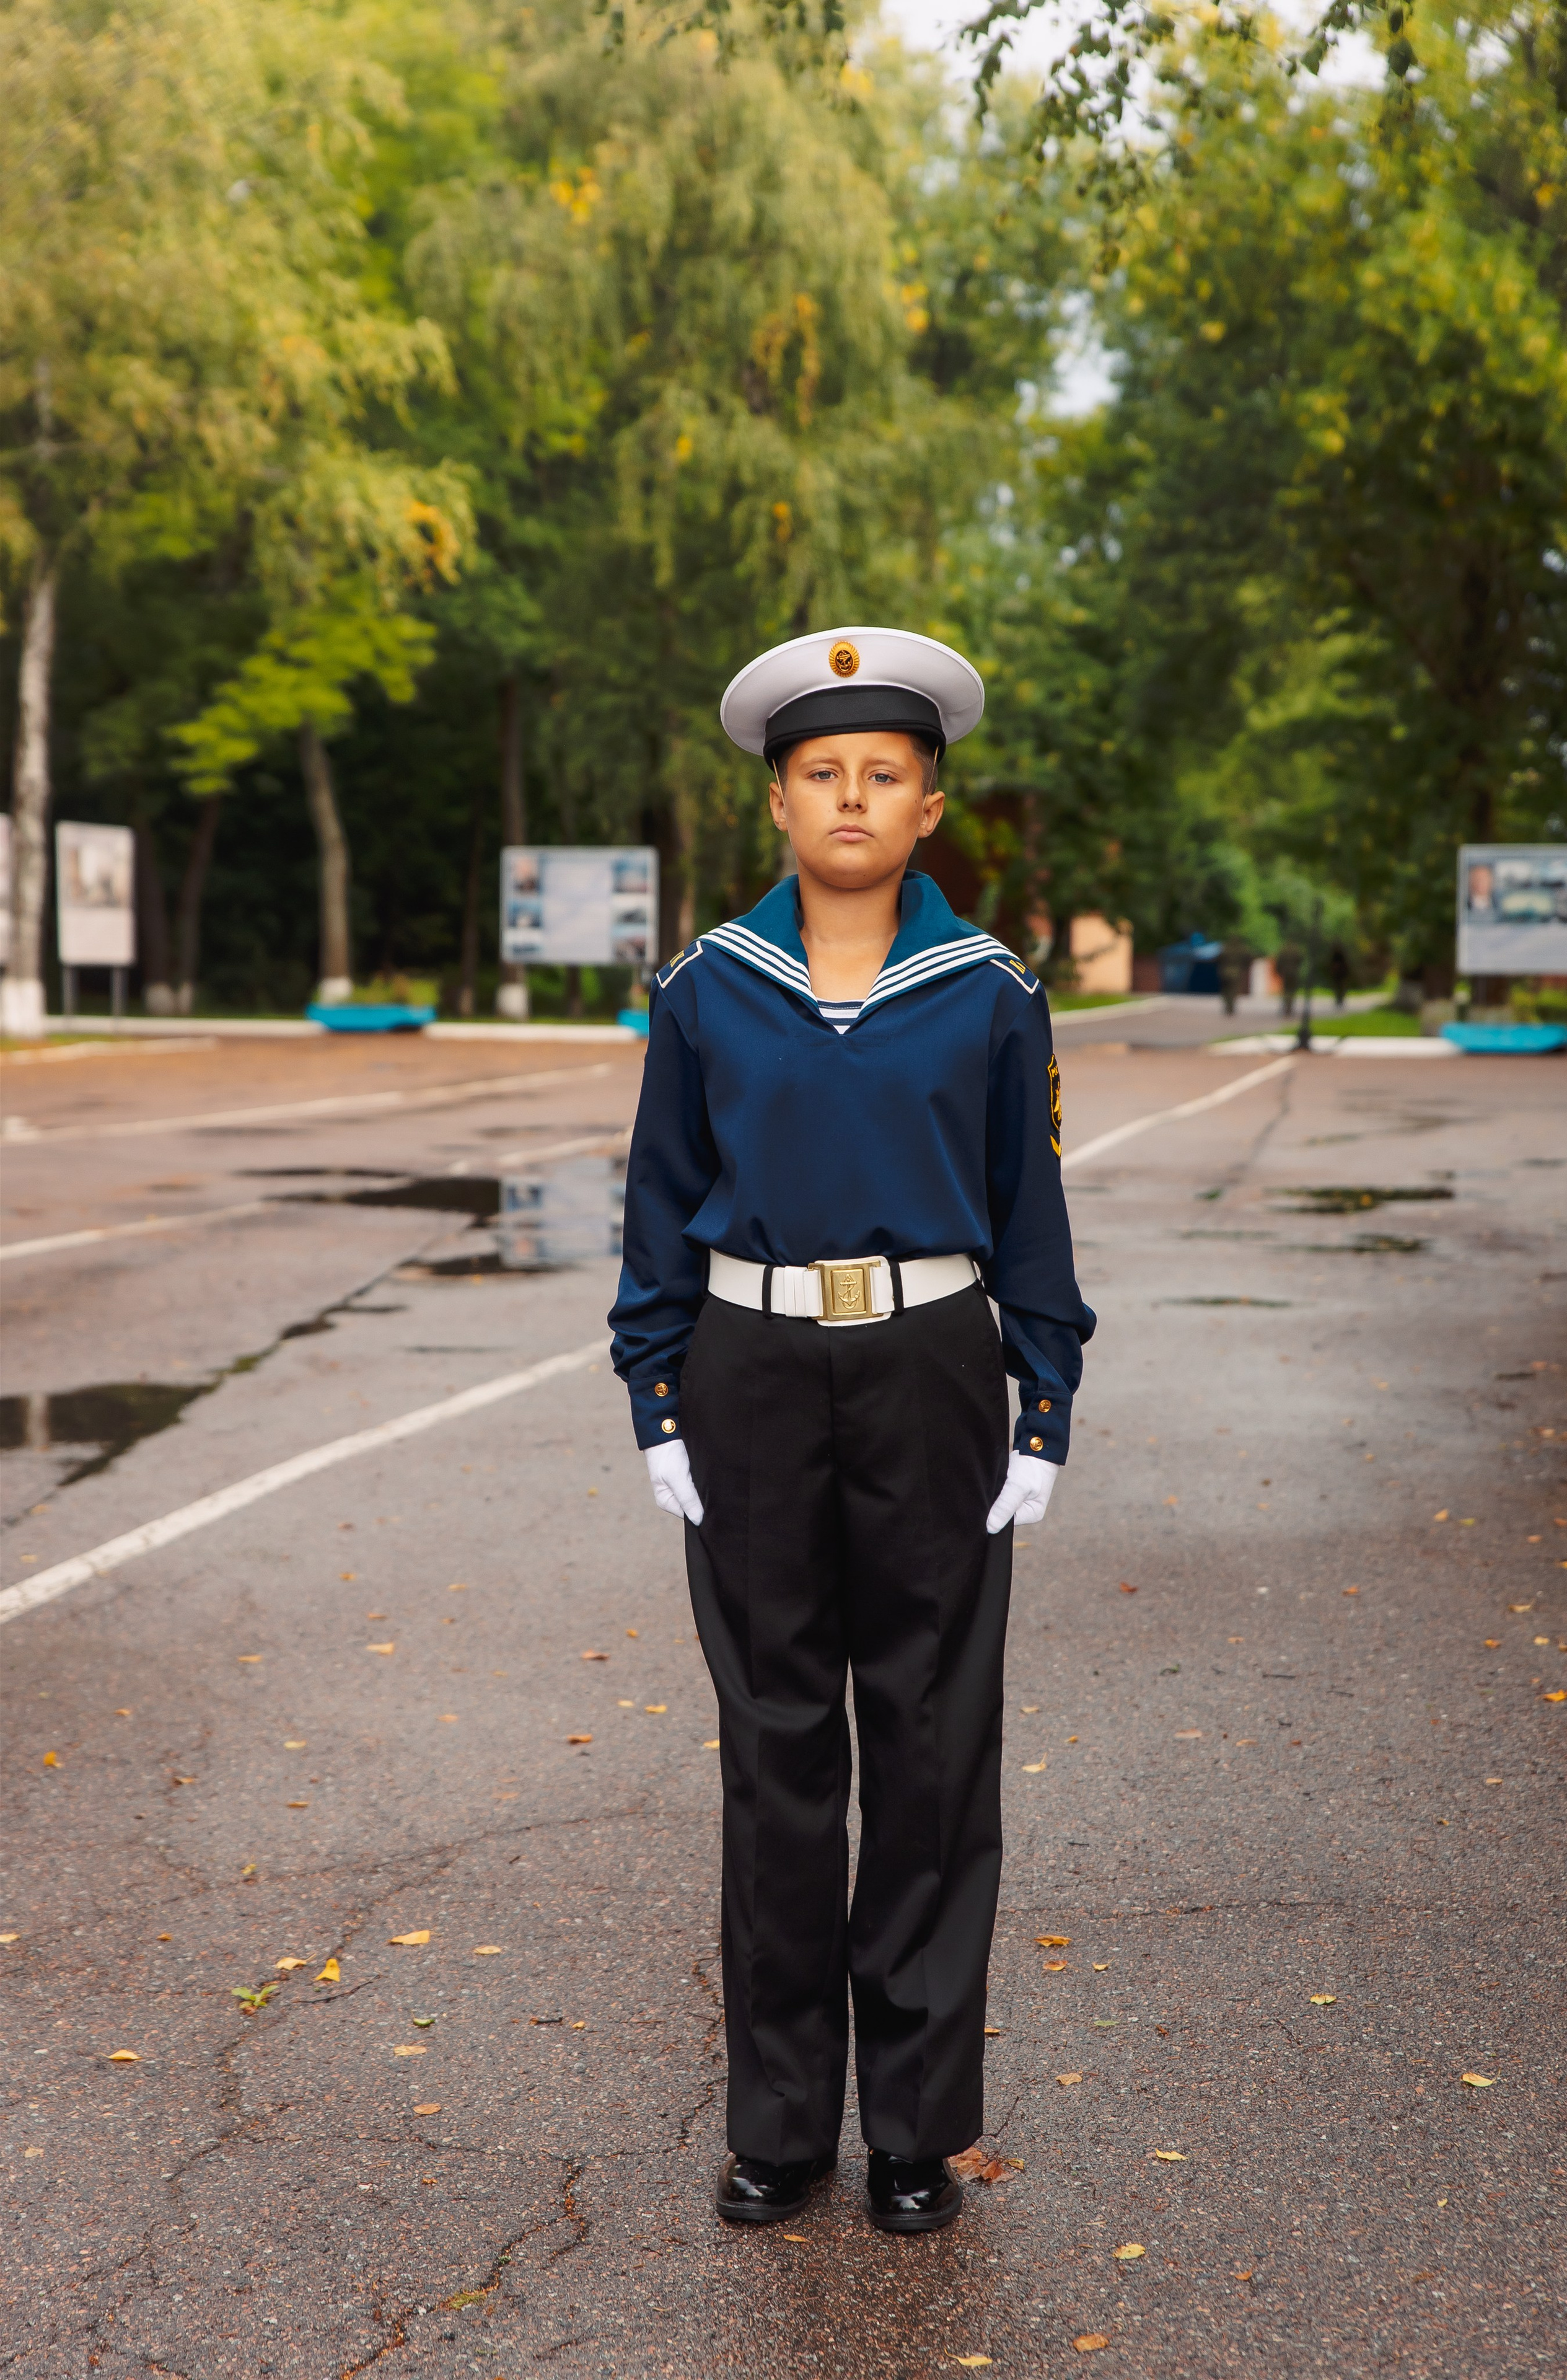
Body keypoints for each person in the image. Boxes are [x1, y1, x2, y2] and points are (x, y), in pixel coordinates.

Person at [608, 627, 1094, 2237]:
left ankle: (914, 2131)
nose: (852, 797)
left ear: (930, 808)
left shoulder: (987, 994)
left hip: (932, 1364)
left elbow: (1031, 1211)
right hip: (748, 1366)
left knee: (934, 1742)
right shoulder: (707, 991)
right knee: (779, 1747)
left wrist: (1045, 1398)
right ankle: (779, 2124)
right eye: (822, 773)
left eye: (884, 774)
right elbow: (659, 1205)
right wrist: (656, 1390)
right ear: (777, 804)